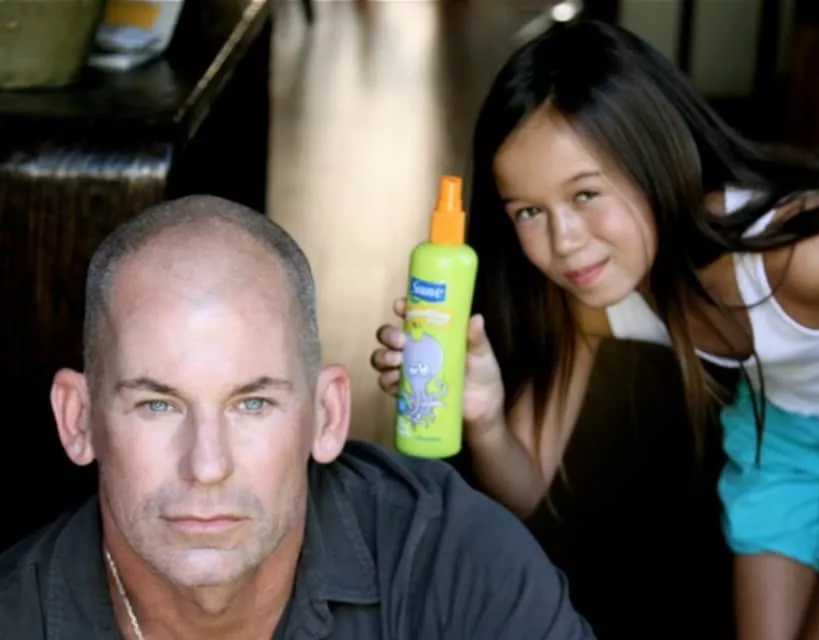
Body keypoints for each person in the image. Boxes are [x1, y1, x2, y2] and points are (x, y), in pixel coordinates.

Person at [371, 19, 819, 640]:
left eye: (585, 195)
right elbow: (526, 487)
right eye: (530, 212)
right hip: (787, 426)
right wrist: (483, 417)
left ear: (654, 158)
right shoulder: (591, 302)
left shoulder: (803, 259)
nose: (565, 242)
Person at [0, 195, 595, 640]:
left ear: (327, 415)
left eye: (252, 403)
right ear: (78, 420)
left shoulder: (459, 571)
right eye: (157, 405)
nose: (206, 465)